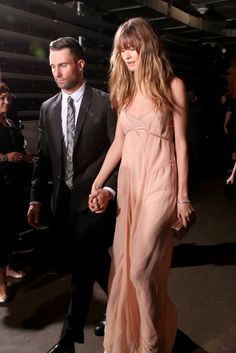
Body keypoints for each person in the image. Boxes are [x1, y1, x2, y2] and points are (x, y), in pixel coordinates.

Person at [89, 17, 194, 353]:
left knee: (139, 267)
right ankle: (142, 338)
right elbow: (118, 143)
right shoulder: (125, 90)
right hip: (131, 181)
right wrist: (97, 181)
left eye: (132, 48)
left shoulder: (172, 85)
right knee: (127, 266)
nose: (127, 55)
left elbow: (181, 144)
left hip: (162, 179)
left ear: (147, 47)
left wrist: (183, 198)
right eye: (122, 50)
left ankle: (150, 345)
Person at [27, 37, 117, 353]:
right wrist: (36, 198)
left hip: (95, 203)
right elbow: (43, 157)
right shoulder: (48, 108)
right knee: (98, 265)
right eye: (52, 67)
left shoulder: (106, 103)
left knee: (81, 269)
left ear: (80, 64)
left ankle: (68, 341)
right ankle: (126, 311)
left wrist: (108, 189)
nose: (57, 72)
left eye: (63, 64)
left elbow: (121, 156)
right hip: (62, 205)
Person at [0, 82, 32, 304]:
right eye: (2, 98)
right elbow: (6, 155)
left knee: (11, 230)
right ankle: (0, 284)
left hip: (13, 184)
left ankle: (8, 267)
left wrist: (25, 156)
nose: (6, 102)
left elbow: (17, 149)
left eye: (7, 98)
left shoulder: (10, 122)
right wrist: (6, 157)